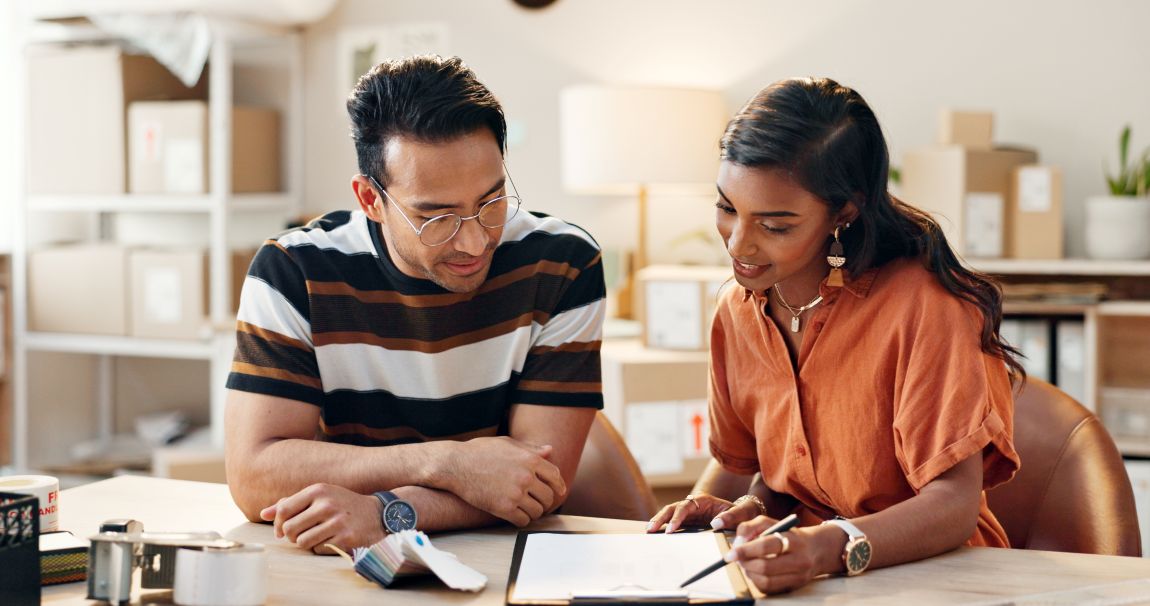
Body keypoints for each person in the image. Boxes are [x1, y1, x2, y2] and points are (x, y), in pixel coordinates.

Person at [647, 77, 1023, 594]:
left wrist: (826, 547)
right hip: (802, 577)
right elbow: (748, 472)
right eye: (727, 208)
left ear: (843, 212)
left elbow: (954, 508)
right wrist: (732, 513)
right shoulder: (736, 310)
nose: (739, 244)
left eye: (775, 226)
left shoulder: (928, 308)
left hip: (937, 579)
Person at [224, 55, 605, 553]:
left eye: (491, 202)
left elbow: (537, 485)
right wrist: (446, 463)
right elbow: (254, 479)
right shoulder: (293, 272)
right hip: (333, 556)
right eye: (436, 217)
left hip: (493, 552)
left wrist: (388, 512)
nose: (473, 242)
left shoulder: (562, 264)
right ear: (370, 199)